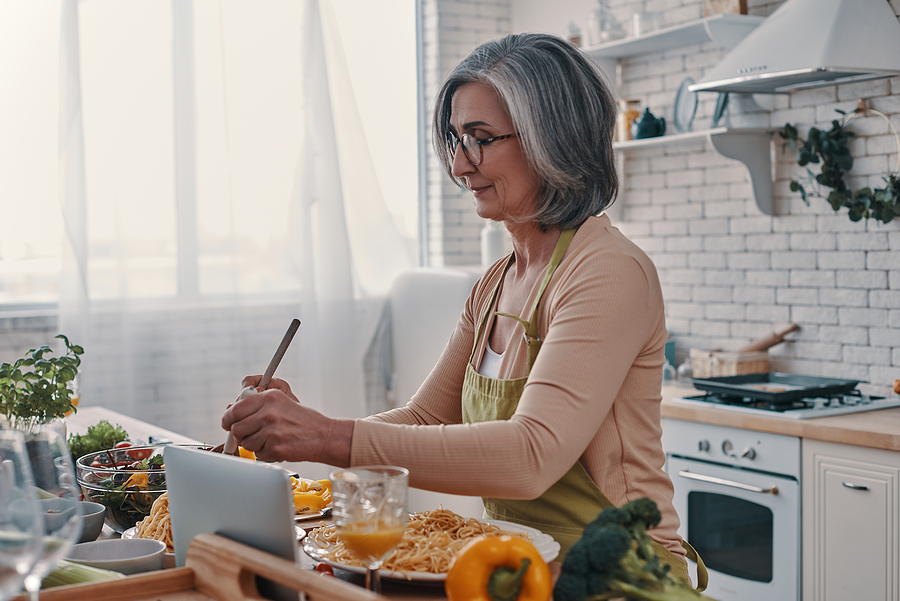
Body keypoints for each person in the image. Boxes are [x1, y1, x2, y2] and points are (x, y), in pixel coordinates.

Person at [223, 32, 701, 583]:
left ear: (553, 138)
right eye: (454, 139)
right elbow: (424, 419)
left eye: (479, 139)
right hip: (521, 567)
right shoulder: (496, 283)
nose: (459, 165)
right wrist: (304, 427)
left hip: (620, 575)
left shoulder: (607, 271)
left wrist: (327, 436)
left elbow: (530, 455)